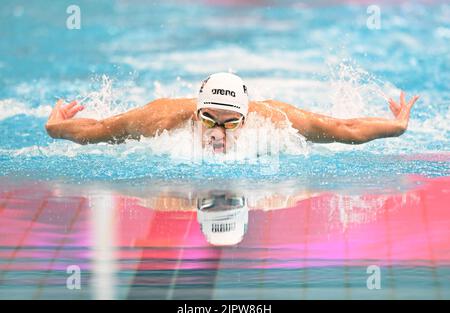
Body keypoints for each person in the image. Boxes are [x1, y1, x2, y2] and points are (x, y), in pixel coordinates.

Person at [45, 72, 419, 153]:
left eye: (231, 122)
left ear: (246, 118)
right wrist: (56, 130)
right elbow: (101, 129)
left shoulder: (276, 120)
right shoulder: (160, 118)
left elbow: (342, 127)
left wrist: (395, 127)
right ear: (196, 112)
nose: (217, 133)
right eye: (209, 119)